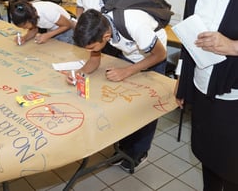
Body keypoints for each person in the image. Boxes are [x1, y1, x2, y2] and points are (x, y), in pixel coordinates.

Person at [176, 0, 238, 190]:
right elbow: (189, 38)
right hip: (203, 91)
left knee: (234, 169)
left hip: (235, 99)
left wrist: (234, 47)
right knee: (209, 162)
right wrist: (181, 81)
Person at [69, 9, 167, 172]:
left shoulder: (135, 25)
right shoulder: (98, 26)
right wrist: (78, 74)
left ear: (106, 37)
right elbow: (94, 61)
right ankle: (123, 149)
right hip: (131, 56)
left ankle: (138, 152)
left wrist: (127, 71)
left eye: (92, 47)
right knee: (126, 102)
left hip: (153, 58)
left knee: (146, 106)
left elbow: (160, 54)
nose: (90, 51)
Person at [9, 0, 76, 45]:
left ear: (29, 19)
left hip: (66, 30)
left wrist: (48, 35)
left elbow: (68, 25)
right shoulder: (30, 14)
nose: (24, 29)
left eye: (25, 26)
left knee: (64, 53)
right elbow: (34, 29)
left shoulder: (47, 11)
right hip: (53, 29)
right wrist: (24, 38)